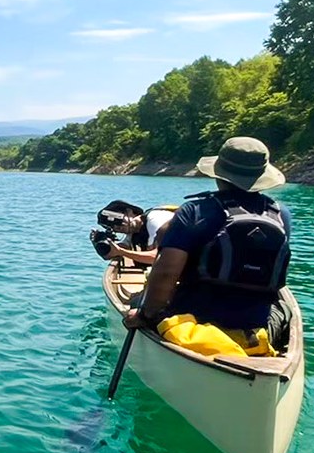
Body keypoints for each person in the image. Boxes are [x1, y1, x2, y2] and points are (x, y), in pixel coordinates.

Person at [123, 136, 291, 341]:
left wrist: (146, 315)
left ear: (219, 176)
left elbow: (166, 273)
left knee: (136, 302)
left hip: (195, 319)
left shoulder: (195, 211)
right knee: (284, 309)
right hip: (255, 322)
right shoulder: (280, 214)